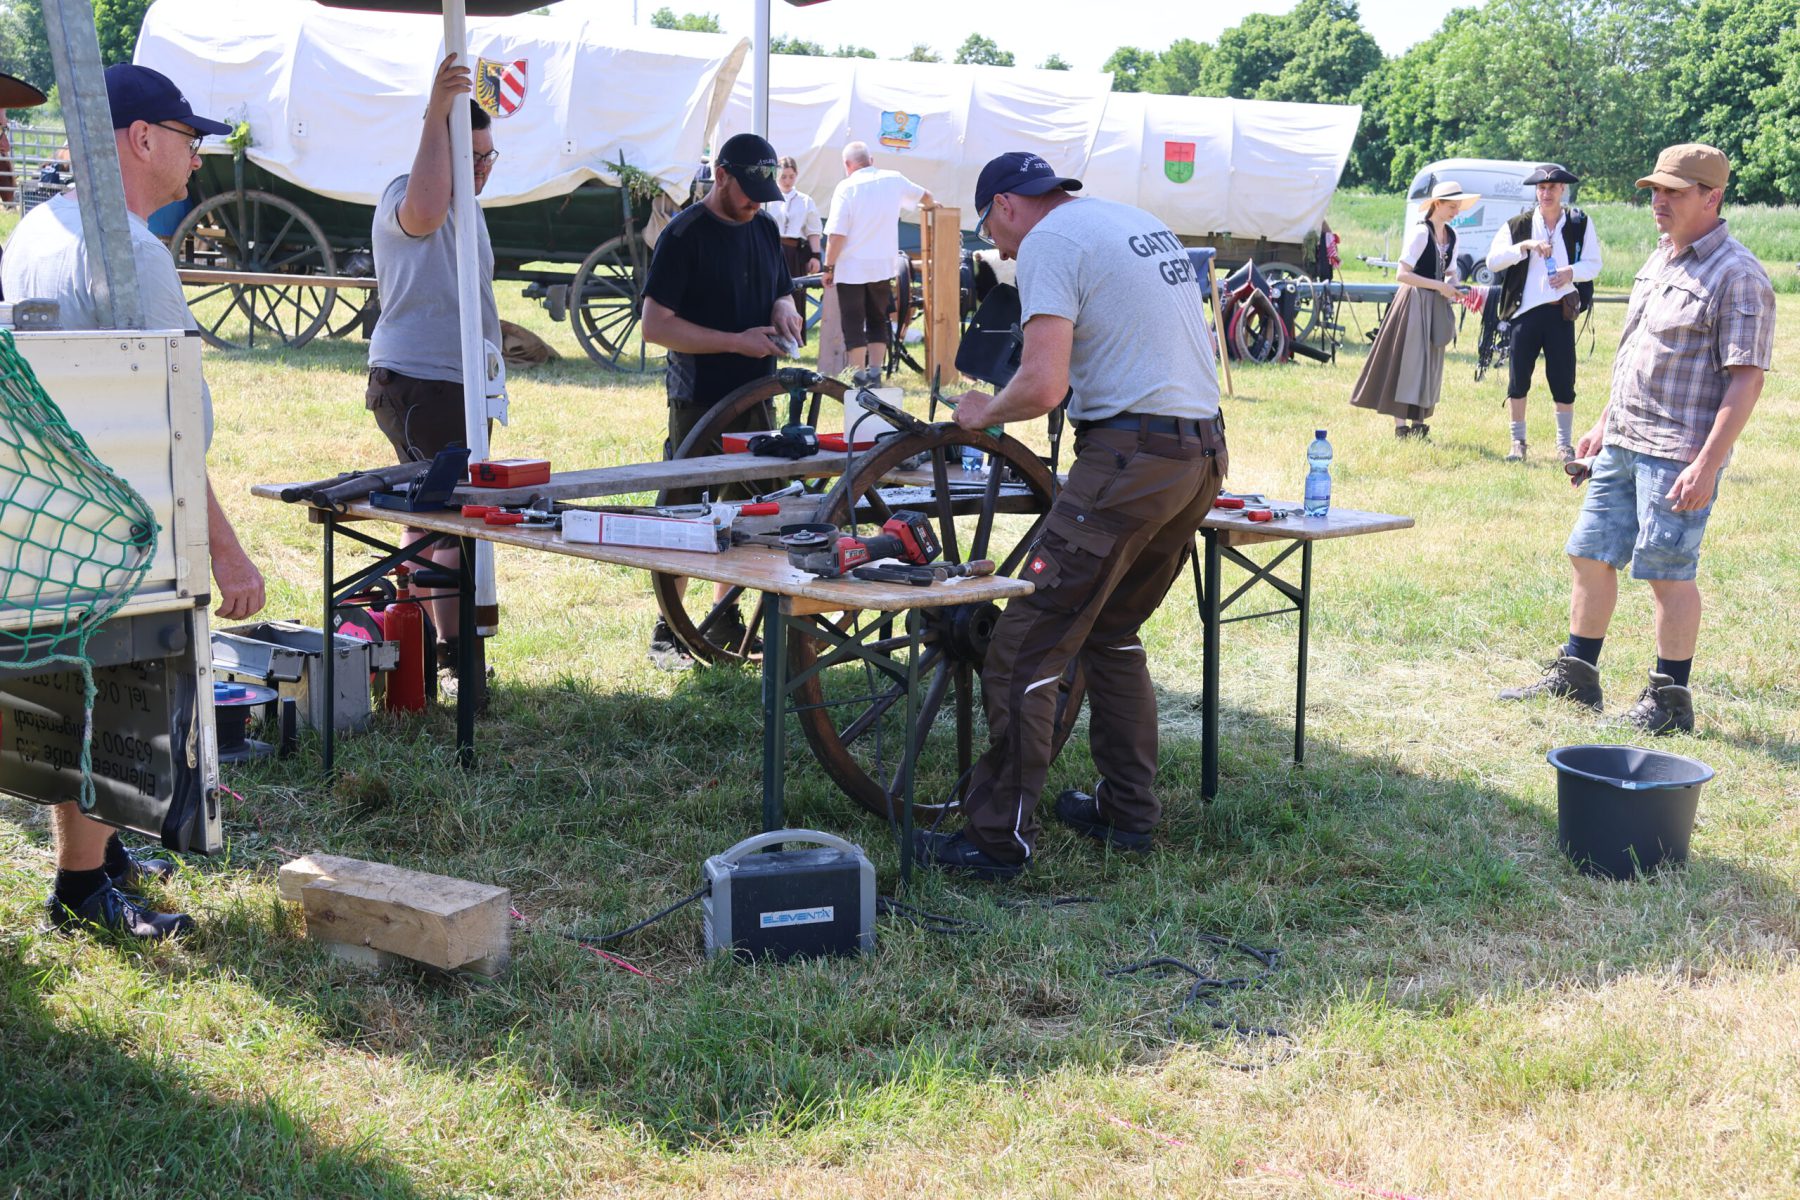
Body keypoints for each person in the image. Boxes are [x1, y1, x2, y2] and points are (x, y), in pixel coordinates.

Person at [2, 63, 266, 939]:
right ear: (142, 137)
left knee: (72, 683)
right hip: (128, 511)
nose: (197, 157)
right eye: (188, 138)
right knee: (113, 694)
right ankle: (81, 890)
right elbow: (170, 423)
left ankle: (104, 858)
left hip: (53, 507)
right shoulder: (133, 252)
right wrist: (226, 550)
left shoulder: (35, 229)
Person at [914, 152, 1226, 881]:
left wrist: (984, 411)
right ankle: (1128, 812)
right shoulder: (1130, 220)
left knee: (1023, 645)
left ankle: (997, 840)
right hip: (1200, 454)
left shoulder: (1049, 242)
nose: (1000, 249)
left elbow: (1044, 383)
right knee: (1111, 634)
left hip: (1131, 457)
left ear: (1005, 204)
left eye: (991, 230)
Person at [1499, 144, 1773, 735]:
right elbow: (1638, 356)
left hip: (1677, 453)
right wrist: (1602, 424)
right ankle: (1577, 675)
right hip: (1623, 438)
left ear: (1712, 197)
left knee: (1666, 572)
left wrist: (1707, 464)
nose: (1658, 201)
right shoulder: (1659, 258)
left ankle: (1669, 702)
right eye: (1655, 190)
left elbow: (1746, 380)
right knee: (1589, 553)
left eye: (1674, 191)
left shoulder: (1738, 274)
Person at [640, 132, 801, 668]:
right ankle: (668, 629)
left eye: (764, 194)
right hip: (700, 396)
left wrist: (783, 308)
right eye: (749, 191)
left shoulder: (765, 226)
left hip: (757, 391)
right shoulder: (684, 235)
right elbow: (655, 326)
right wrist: (735, 342)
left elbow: (780, 288)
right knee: (688, 512)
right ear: (722, 175)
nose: (756, 203)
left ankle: (725, 616)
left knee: (751, 508)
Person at [365, 55, 501, 689]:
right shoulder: (406, 193)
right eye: (470, 155)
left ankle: (425, 647)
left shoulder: (468, 207)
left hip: (455, 382)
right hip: (424, 381)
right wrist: (436, 112)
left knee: (433, 515)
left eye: (488, 156)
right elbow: (423, 207)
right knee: (447, 519)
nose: (482, 166)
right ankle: (453, 655)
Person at [1485, 164, 1604, 463]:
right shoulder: (1518, 225)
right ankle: (1518, 443)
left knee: (1563, 381)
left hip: (1560, 313)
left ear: (1563, 190)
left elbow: (1594, 264)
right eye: (1541, 188)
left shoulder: (1579, 223)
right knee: (1518, 380)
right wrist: (1524, 246)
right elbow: (1493, 261)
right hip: (1524, 312)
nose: (1546, 193)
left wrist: (1569, 272)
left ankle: (1564, 445)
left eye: (1552, 188)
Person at [1348, 181, 1476, 439]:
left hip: (1436, 304)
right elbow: (1402, 274)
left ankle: (1419, 424)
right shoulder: (1421, 233)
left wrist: (1455, 286)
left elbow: (1451, 272)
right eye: (1452, 206)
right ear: (1437, 204)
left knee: (1429, 364)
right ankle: (1401, 427)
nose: (1456, 211)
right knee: (1408, 362)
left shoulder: (1452, 235)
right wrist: (1439, 286)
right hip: (1414, 302)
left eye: (1458, 206)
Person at [822, 141, 932, 380]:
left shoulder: (846, 187)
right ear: (871, 160)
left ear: (847, 165)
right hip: (882, 266)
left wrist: (828, 267)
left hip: (851, 268)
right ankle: (875, 373)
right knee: (878, 319)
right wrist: (936, 209)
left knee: (853, 322)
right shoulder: (894, 179)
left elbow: (837, 234)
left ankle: (859, 376)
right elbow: (926, 197)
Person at [764, 156, 821, 345]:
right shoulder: (768, 198)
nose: (787, 181)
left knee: (794, 293)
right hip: (770, 251)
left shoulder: (805, 200)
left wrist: (815, 256)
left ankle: (792, 340)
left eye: (791, 176)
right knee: (768, 293)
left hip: (793, 253)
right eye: (783, 177)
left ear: (796, 175)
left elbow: (813, 230)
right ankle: (768, 336)